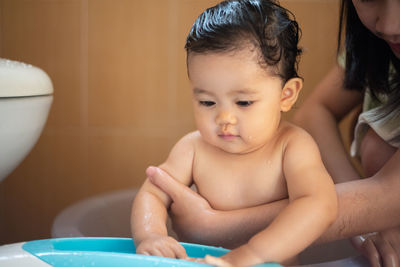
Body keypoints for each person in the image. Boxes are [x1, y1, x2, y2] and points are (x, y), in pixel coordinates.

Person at [146, 0, 400, 266]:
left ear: (286, 95)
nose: (224, 118)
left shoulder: (292, 146)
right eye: (207, 102)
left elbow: (318, 204)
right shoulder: (192, 147)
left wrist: (250, 253)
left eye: (243, 102)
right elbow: (152, 192)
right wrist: (151, 235)